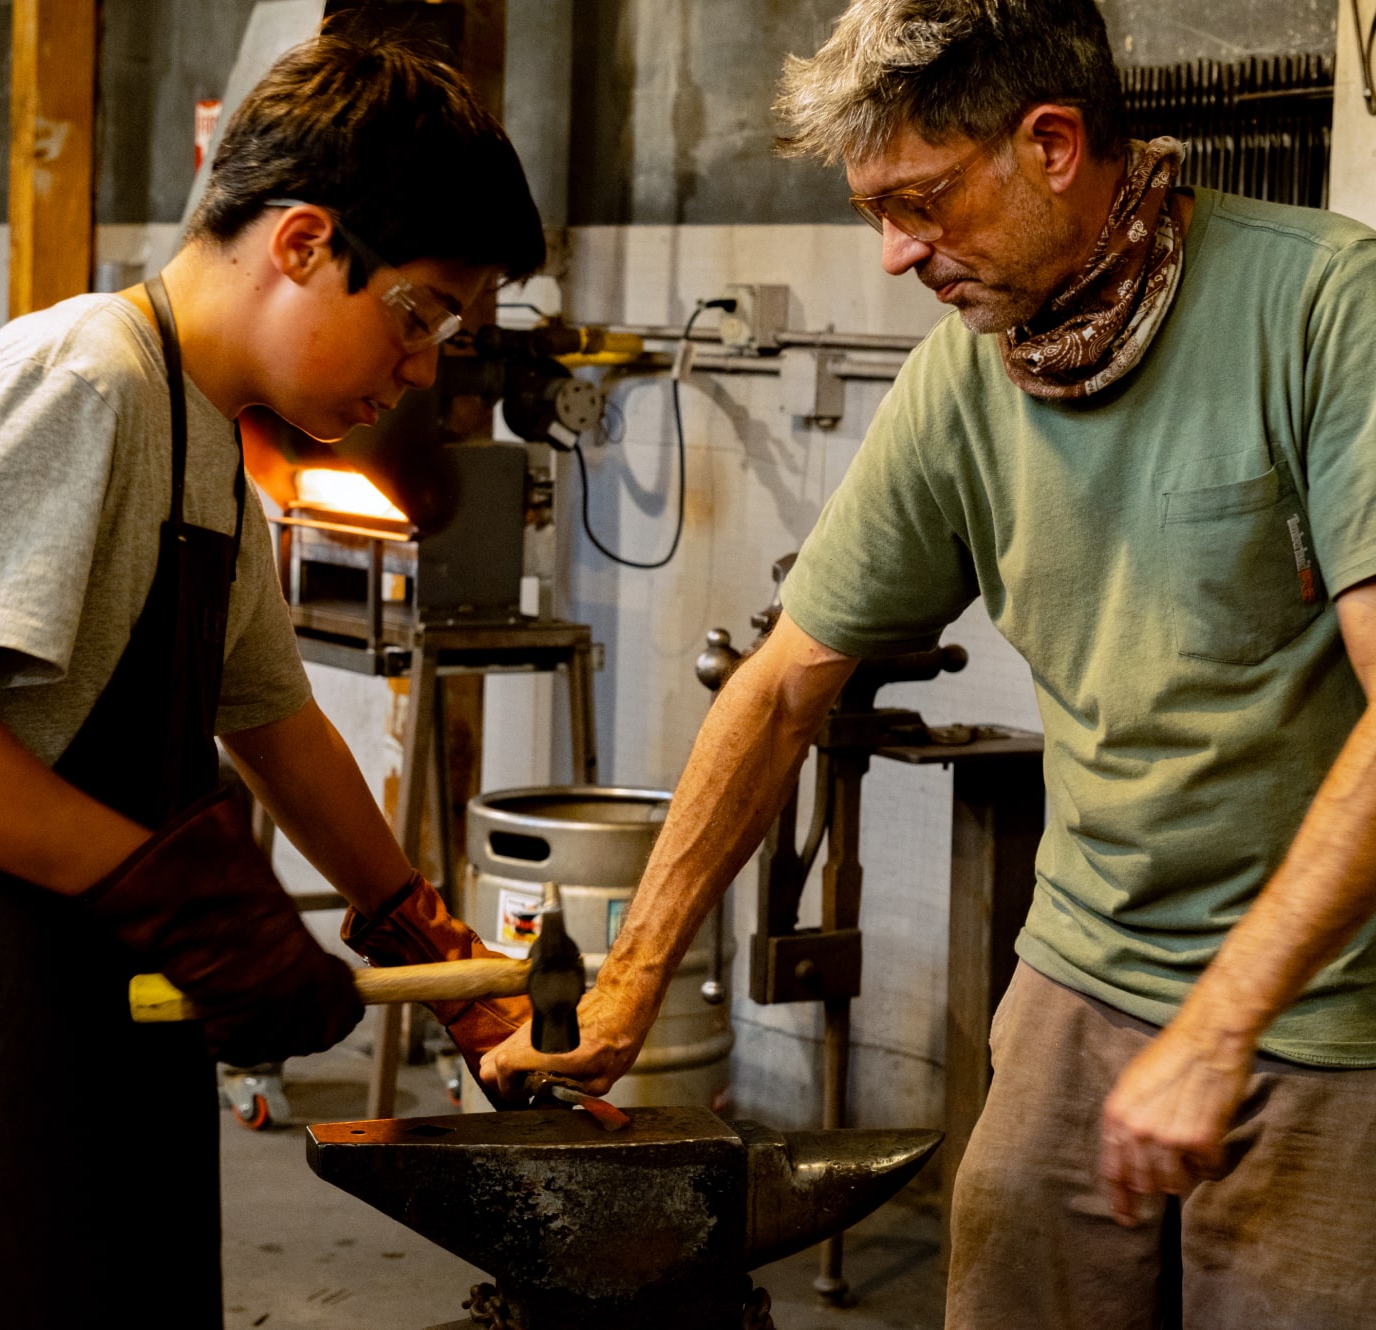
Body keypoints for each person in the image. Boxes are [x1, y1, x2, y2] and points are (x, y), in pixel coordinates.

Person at [481, 1, 1376, 1324]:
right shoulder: (971, 375)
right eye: (868, 215)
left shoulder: (1320, 305)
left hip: (1320, 1014)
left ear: (1052, 143)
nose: (896, 255)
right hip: (1083, 973)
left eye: (920, 201)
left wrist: (1218, 1023)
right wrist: (630, 978)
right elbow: (785, 680)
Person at [0, 30, 544, 1330]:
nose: (423, 364)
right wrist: (176, 891)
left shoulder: (199, 429)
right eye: (420, 313)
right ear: (306, 244)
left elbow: (275, 720)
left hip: (107, 997)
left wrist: (424, 941)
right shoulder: (86, 377)